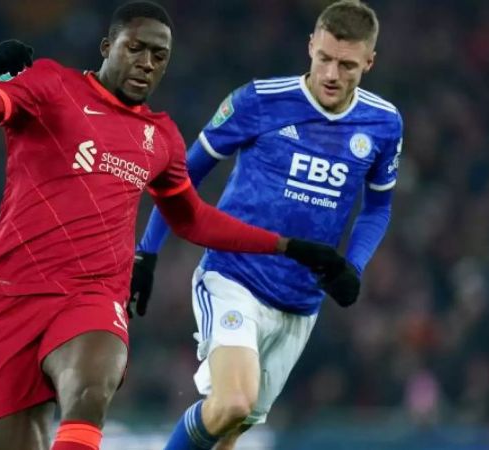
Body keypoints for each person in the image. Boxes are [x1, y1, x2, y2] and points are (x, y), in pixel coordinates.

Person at [0, 2, 354, 450]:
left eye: (159, 56)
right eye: (136, 49)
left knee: (92, 387)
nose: (147, 64)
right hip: (12, 295)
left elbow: (192, 218)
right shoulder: (52, 85)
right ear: (107, 46)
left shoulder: (161, 136)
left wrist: (289, 246)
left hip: (93, 294)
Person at [130, 1, 403, 448]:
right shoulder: (258, 100)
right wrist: (147, 251)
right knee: (235, 401)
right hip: (234, 276)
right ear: (310, 46)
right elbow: (181, 179)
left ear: (369, 62)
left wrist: (353, 265)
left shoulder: (383, 123)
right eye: (325, 59)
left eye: (348, 65)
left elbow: (378, 207)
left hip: (300, 302)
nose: (332, 74)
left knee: (232, 427)